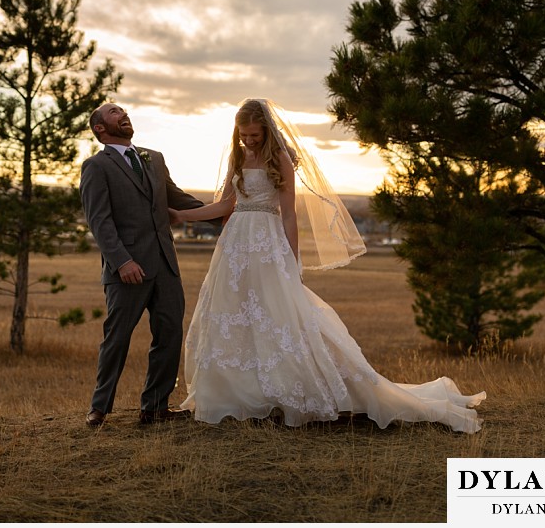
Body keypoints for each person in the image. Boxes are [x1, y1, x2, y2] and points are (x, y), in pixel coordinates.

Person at [169, 98, 485, 432]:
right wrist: (182, 215)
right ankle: (238, 394)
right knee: (234, 314)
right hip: (234, 248)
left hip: (267, 245)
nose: (249, 140)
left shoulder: (280, 159)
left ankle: (292, 390)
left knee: (279, 315)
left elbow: (289, 213)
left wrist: (293, 259)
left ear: (266, 130)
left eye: (254, 135)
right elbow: (225, 205)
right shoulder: (238, 156)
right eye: (243, 135)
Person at [79, 102, 211, 428]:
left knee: (168, 335)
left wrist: (225, 214)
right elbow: (100, 221)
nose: (122, 114)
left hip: (166, 264)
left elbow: (176, 198)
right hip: (127, 271)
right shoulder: (97, 166)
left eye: (123, 110)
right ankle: (99, 408)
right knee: (117, 338)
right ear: (99, 127)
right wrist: (122, 261)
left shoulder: (153, 158)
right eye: (113, 112)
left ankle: (154, 408)